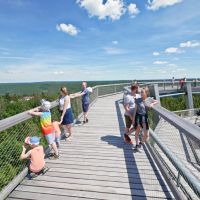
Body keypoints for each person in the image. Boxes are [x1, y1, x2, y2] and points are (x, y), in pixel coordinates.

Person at [133, 88, 158, 152]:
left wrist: (152, 104)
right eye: (140, 92)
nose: (141, 93)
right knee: (137, 131)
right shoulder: (138, 100)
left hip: (145, 118)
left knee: (147, 135)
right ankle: (136, 144)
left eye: (142, 92)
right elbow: (135, 110)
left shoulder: (149, 99)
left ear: (146, 93)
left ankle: (140, 144)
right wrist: (133, 119)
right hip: (138, 117)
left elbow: (156, 101)